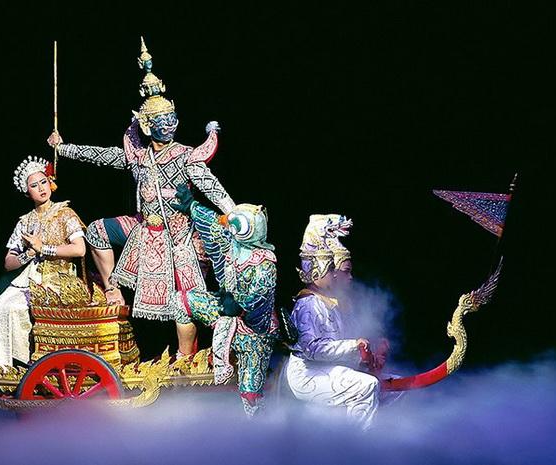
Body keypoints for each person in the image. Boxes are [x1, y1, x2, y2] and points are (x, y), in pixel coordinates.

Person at [47, 38, 235, 357]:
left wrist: (234, 212)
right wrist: (63, 148)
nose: (169, 126)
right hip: (143, 228)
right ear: (147, 126)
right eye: (161, 122)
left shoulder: (185, 156)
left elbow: (212, 186)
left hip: (179, 236)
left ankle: (186, 357)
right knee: (97, 231)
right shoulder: (138, 156)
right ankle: (112, 289)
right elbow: (101, 156)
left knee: (185, 301)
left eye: (172, 120)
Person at [172, 185, 278, 416]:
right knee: (182, 300)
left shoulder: (264, 263)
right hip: (225, 313)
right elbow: (212, 221)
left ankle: (259, 429)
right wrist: (192, 205)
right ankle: (185, 361)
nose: (227, 227)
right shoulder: (231, 243)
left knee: (250, 396)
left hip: (254, 333)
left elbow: (260, 296)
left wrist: (239, 307)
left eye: (233, 224)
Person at [285, 214, 387, 430]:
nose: (334, 275)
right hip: (307, 374)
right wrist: (353, 346)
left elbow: (339, 344)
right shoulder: (308, 304)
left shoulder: (329, 303)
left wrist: (365, 356)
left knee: (390, 389)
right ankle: (353, 443)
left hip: (326, 369)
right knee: (367, 386)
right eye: (330, 269)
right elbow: (311, 350)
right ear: (316, 272)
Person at [0, 156, 87, 366]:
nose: (41, 188)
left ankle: (26, 362)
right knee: (0, 306)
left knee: (13, 309)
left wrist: (44, 249)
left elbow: (80, 249)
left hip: (60, 279)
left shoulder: (65, 213)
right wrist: (29, 254)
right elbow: (8, 263)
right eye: (34, 185)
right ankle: (0, 366)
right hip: (31, 278)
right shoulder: (25, 222)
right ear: (27, 192)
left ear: (50, 183)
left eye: (43, 182)